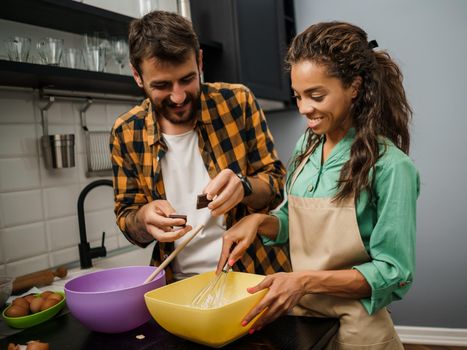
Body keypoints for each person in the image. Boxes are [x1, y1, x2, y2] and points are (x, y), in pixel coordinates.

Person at [217, 21, 420, 349]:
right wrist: (258, 222)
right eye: (298, 96)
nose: (304, 109)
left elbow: (394, 272)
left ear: (353, 87)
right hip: (303, 319)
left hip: (358, 329)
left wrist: (305, 280)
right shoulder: (307, 147)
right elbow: (295, 225)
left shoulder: (392, 167)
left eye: (316, 95)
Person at [110, 10, 291, 282]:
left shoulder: (237, 102)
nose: (178, 96)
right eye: (161, 85)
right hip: (180, 286)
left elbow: (276, 186)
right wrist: (144, 217)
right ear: (137, 76)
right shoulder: (126, 132)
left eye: (187, 79)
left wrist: (243, 187)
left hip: (255, 276)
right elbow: (129, 222)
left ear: (200, 62)